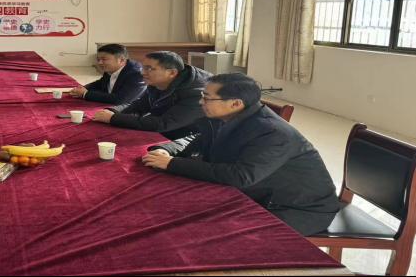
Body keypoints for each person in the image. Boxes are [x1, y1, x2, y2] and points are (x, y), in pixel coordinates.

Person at [143, 73, 340, 236]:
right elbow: (198, 140)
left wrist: (172, 163)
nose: (201, 101)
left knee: (208, 233)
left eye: (207, 97)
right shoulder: (224, 115)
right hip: (256, 192)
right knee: (172, 209)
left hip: (296, 209)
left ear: (236, 103)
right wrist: (167, 150)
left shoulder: (273, 132)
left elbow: (240, 176)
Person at [92, 51, 210, 140]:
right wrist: (113, 111)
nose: (142, 72)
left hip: (187, 140)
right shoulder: (158, 80)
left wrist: (113, 118)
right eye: (143, 67)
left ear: (172, 72)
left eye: (149, 68)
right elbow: (140, 104)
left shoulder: (197, 93)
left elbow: (163, 123)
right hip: (166, 129)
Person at [68, 43, 146, 105]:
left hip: (130, 110)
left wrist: (85, 94)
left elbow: (120, 99)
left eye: (104, 59)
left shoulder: (137, 74)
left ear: (121, 60)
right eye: (98, 59)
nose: (100, 63)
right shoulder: (111, 68)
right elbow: (100, 83)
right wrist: (83, 88)